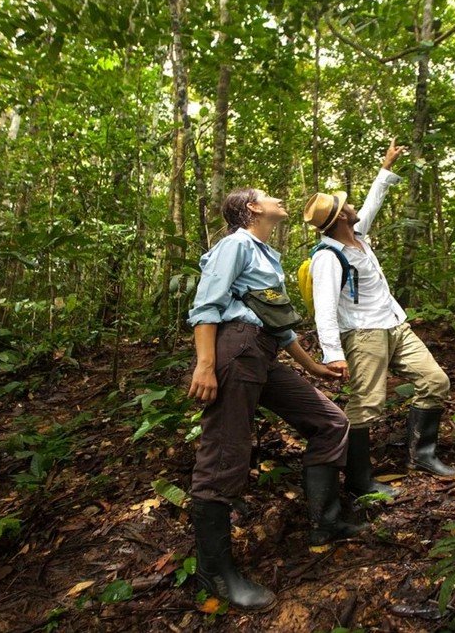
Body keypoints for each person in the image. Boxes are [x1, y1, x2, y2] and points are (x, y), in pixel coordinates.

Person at [187, 187, 365, 611]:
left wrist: (315, 367)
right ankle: (214, 571)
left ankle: (327, 520)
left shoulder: (267, 254)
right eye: (268, 196)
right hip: (236, 350)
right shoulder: (235, 245)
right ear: (251, 208)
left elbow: (279, 327)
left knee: (330, 422)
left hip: (262, 352)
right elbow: (206, 306)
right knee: (225, 456)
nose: (279, 200)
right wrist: (205, 364)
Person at [303, 140, 455, 500]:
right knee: (367, 405)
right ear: (342, 216)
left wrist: (386, 168)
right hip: (363, 334)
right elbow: (324, 308)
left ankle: (422, 456)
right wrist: (333, 353)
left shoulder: (358, 236)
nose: (354, 205)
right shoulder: (328, 257)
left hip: (395, 324)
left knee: (435, 380)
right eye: (348, 204)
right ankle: (360, 481)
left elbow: (372, 202)